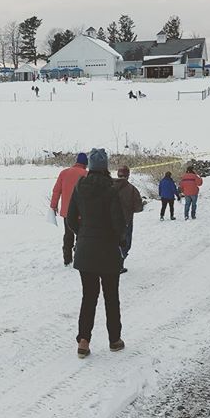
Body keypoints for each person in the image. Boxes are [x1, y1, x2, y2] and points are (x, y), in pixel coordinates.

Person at [67, 148, 127, 358]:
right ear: (105, 167)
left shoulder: (79, 187)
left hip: (85, 250)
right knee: (111, 297)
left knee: (89, 297)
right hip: (108, 251)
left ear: (90, 167)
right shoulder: (111, 190)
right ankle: (114, 340)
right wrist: (119, 240)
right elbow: (119, 223)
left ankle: (83, 341)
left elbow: (71, 219)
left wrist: (82, 234)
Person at [50, 153, 88, 266]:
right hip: (82, 212)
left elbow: (56, 190)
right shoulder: (86, 174)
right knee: (81, 235)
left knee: (68, 234)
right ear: (85, 164)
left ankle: (67, 258)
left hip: (67, 212)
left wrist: (53, 205)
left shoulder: (64, 173)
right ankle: (78, 257)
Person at [113, 165, 144, 274]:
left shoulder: (109, 186)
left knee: (112, 242)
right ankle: (119, 263)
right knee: (125, 243)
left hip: (110, 221)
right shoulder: (132, 189)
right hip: (126, 221)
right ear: (128, 175)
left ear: (118, 174)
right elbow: (139, 208)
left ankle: (110, 263)